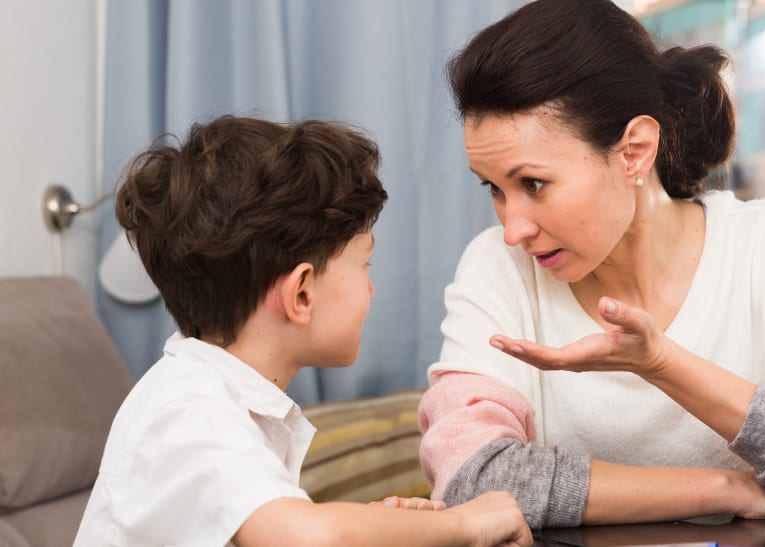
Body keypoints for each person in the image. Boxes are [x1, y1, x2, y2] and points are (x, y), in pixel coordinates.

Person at [418, 0, 765, 530]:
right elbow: (470, 476)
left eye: (533, 184)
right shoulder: (499, 268)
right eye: (495, 189)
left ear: (634, 152)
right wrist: (726, 489)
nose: (513, 229)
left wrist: (661, 363)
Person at [73, 116, 531, 547]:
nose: (371, 289)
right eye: (364, 263)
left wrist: (395, 529)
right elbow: (308, 538)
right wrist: (461, 524)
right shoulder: (186, 410)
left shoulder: (216, 399)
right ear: (301, 295)